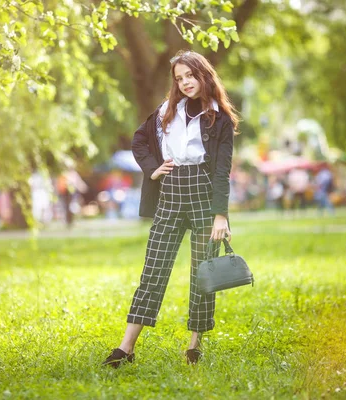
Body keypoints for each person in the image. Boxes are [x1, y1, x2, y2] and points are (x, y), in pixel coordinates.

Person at [102, 50, 238, 367]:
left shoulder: (220, 118)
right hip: (171, 191)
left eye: (190, 75)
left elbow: (222, 170)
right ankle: (126, 349)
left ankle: (194, 346)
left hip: (204, 193)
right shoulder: (167, 110)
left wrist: (221, 214)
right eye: (179, 78)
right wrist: (152, 168)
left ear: (203, 74)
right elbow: (138, 139)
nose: (185, 82)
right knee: (154, 270)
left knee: (203, 272)